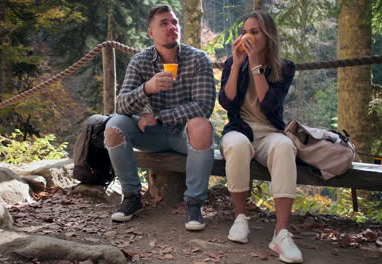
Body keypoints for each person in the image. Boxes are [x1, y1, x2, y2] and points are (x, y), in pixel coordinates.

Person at [104, 4, 216, 231]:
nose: (171, 27)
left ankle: (194, 204)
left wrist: (160, 116)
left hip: (184, 135)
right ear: (151, 33)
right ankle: (132, 197)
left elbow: (204, 106)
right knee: (114, 126)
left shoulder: (198, 59)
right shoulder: (141, 61)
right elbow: (121, 104)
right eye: (163, 23)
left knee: (202, 125)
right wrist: (147, 88)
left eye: (174, 22)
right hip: (150, 135)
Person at [218, 10, 303, 263]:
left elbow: (269, 106)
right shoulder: (234, 62)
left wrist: (255, 66)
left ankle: (281, 233)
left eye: (254, 32)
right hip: (239, 129)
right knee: (236, 145)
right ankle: (241, 218)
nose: (248, 36)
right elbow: (226, 101)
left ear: (268, 36)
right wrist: (235, 63)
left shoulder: (284, 67)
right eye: (245, 32)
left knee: (285, 147)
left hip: (270, 132)